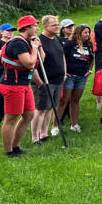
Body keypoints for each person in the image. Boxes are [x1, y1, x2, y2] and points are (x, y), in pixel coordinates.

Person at [0, 16, 42, 157]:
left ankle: (16, 146)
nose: (37, 28)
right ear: (27, 27)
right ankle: (8, 151)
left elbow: (41, 60)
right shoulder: (18, 43)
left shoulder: (28, 42)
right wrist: (34, 48)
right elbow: (29, 63)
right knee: (11, 118)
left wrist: (38, 47)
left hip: (23, 84)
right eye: (35, 26)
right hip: (12, 85)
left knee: (29, 114)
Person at [31, 15, 65, 143]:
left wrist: (64, 73)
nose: (58, 27)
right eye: (54, 25)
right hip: (44, 80)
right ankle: (35, 137)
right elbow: (34, 63)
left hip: (58, 79)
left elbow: (62, 57)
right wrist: (39, 81)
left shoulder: (56, 39)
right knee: (40, 109)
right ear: (45, 26)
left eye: (58, 24)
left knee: (50, 107)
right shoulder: (39, 41)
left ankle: (44, 133)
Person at [59, 24, 93, 132]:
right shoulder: (70, 44)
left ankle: (74, 124)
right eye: (85, 32)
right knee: (64, 101)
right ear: (79, 33)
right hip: (70, 76)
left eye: (88, 32)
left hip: (82, 77)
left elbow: (92, 58)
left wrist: (90, 70)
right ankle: (56, 126)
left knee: (75, 101)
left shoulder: (88, 44)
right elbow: (62, 58)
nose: (88, 34)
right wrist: (64, 72)